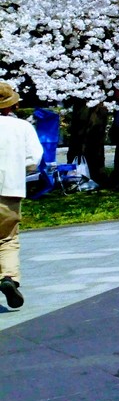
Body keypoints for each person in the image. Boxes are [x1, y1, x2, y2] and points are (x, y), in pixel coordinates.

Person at [0, 80, 43, 309]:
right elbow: (33, 160)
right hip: (10, 191)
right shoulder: (22, 127)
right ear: (11, 106)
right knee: (7, 238)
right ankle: (8, 277)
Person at [65, 97, 108, 185]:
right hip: (84, 116)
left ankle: (94, 174)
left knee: (94, 143)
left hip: (95, 117)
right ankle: (77, 175)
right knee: (79, 142)